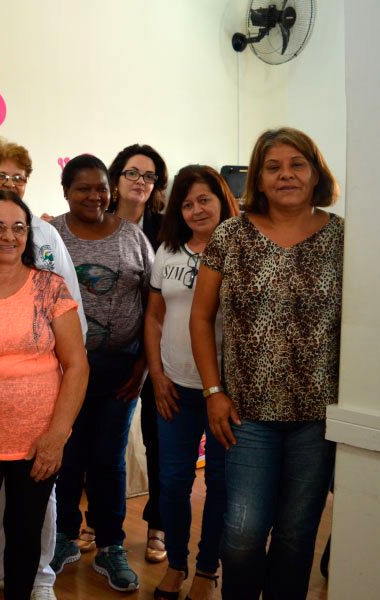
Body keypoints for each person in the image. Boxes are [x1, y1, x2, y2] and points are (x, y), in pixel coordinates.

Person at [191, 127, 343, 600]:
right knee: (240, 536)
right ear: (258, 176)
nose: (286, 175)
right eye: (273, 167)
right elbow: (200, 317)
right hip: (246, 414)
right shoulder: (232, 235)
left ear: (315, 171)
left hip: (317, 417)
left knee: (297, 538)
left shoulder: (343, 237)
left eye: (297, 164)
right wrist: (214, 392)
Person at [0, 136, 86, 600]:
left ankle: (35, 584)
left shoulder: (50, 286)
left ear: (29, 233)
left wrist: (57, 434)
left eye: (19, 228)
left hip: (38, 436)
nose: (9, 236)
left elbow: (76, 361)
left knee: (28, 533)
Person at [48, 154, 154, 592]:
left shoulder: (132, 236)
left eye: (101, 188)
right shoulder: (51, 233)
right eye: (83, 188)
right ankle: (64, 537)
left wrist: (144, 366)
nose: (95, 196)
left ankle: (110, 545)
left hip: (121, 368)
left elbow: (153, 306)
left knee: (108, 459)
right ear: (66, 192)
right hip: (62, 367)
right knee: (66, 456)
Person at [145, 165, 239, 600]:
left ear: (222, 199)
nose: (197, 209)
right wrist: (158, 376)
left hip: (228, 392)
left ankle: (206, 570)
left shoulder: (242, 248)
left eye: (204, 199)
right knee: (173, 481)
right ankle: (176, 564)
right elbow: (154, 317)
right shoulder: (167, 252)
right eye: (187, 204)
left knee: (221, 484)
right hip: (175, 389)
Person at [107, 143, 170, 564]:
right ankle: (97, 521)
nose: (141, 182)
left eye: (149, 176)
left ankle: (158, 524)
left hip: (163, 355)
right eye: (133, 173)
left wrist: (151, 362)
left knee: (161, 441)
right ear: (116, 179)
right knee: (103, 440)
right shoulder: (97, 221)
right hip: (114, 353)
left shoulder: (167, 229)